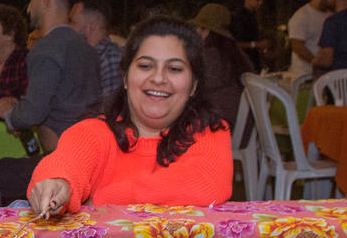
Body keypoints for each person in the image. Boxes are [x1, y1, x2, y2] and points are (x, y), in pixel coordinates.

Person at [26, 15, 233, 216]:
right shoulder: (94, 132)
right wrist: (56, 184)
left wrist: (101, 200)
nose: (158, 78)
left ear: (194, 85)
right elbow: (64, 165)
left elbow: (206, 184)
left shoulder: (209, 131)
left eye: (174, 69)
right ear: (125, 77)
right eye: (145, 66)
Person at [0, 0, 100, 145]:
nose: (29, 8)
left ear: (46, 0)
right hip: (88, 146)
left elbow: (34, 113)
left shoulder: (46, 48)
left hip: (61, 152)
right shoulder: (85, 47)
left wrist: (7, 114)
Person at [190, 3, 254, 127]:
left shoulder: (210, 56)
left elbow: (191, 91)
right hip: (242, 125)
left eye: (197, 27)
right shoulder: (236, 53)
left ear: (206, 30)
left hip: (221, 126)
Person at [70, 0, 124, 104]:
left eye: (73, 22)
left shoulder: (109, 57)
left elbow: (109, 107)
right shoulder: (84, 56)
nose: (69, 28)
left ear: (91, 26)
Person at [286, 0, 331, 80]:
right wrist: (315, 61)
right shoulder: (301, 16)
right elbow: (297, 46)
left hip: (324, 75)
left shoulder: (330, 16)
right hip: (304, 74)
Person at [229, 0, 271, 71]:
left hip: (252, 64)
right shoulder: (239, 17)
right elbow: (233, 44)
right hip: (242, 65)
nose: (260, 3)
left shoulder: (252, 16)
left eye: (262, 0)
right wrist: (256, 44)